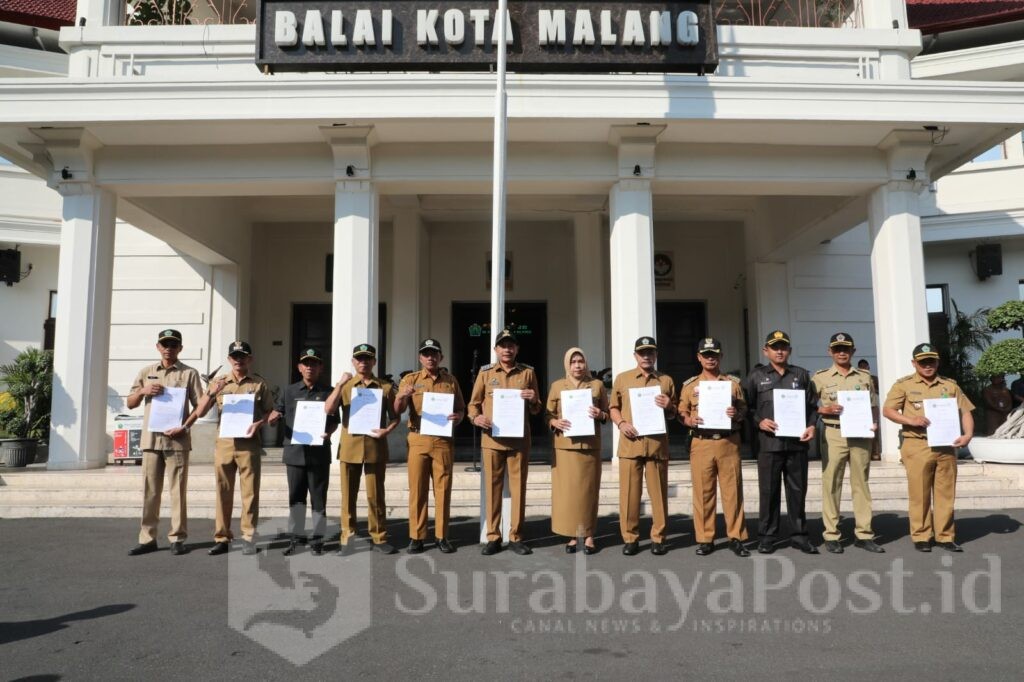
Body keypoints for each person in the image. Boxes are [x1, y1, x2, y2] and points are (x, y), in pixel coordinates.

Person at [883, 343, 975, 552]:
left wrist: (968, 434)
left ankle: (945, 536)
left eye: (931, 361)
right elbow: (888, 410)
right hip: (917, 444)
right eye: (923, 361)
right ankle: (922, 535)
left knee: (945, 493)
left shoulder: (949, 385)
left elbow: (966, 411)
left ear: (937, 362)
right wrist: (910, 420)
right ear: (914, 363)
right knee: (920, 493)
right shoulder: (903, 385)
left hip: (946, 445)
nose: (927, 365)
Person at [191, 341, 276, 556]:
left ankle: (248, 536)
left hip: (249, 445)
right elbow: (200, 412)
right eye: (234, 356)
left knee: (250, 494)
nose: (238, 360)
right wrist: (212, 392)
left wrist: (261, 422)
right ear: (229, 359)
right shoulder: (219, 382)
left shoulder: (258, 384)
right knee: (223, 492)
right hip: (225, 444)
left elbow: (271, 412)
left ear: (250, 359)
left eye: (243, 356)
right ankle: (222, 536)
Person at [126, 329, 203, 557]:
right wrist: (143, 391)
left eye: (173, 344)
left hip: (177, 440)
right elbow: (130, 403)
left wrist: (185, 426)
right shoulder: (146, 372)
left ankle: (177, 537)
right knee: (150, 492)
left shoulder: (189, 373)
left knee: (178, 491)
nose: (169, 348)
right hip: (151, 441)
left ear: (180, 348)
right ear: (158, 347)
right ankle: (147, 538)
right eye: (165, 344)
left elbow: (200, 406)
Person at [468, 329, 542, 556]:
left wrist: (533, 400)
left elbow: (537, 408)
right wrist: (476, 417)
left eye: (511, 345)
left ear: (517, 349)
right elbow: (473, 404)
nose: (507, 349)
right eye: (502, 345)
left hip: (519, 441)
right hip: (492, 441)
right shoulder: (485, 373)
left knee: (519, 490)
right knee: (493, 489)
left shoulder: (528, 373)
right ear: (496, 350)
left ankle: (516, 536)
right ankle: (493, 536)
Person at [744, 330, 818, 555]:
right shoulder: (755, 377)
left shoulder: (802, 375)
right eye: (774, 347)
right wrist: (759, 422)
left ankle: (799, 535)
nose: (779, 351)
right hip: (769, 445)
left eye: (783, 347)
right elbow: (747, 408)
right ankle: (767, 536)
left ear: (790, 350)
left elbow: (813, 407)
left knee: (797, 490)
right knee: (769, 491)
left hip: (797, 444)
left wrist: (812, 425)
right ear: (765, 351)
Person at [811, 333, 884, 554]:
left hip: (860, 435)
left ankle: (864, 533)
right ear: (830, 352)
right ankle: (831, 534)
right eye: (837, 349)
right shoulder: (820, 377)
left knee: (861, 484)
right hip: (834, 433)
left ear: (853, 351)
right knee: (832, 483)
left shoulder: (864, 377)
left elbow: (873, 406)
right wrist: (823, 409)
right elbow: (807, 405)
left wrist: (874, 428)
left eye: (845, 348)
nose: (841, 352)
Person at [267, 348, 344, 556]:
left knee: (318, 499)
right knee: (296, 498)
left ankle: (318, 539)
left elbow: (335, 420)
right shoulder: (289, 391)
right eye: (306, 363)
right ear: (300, 367)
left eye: (314, 363)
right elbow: (278, 410)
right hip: (294, 452)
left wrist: (329, 432)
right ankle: (296, 538)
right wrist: (273, 418)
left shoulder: (329, 392)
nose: (310, 367)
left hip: (318, 453)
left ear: (320, 367)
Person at [677, 337, 749, 558]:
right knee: (703, 492)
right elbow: (682, 412)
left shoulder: (733, 384)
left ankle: (736, 537)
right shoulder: (690, 386)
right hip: (702, 443)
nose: (710, 359)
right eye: (706, 355)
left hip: (728, 442)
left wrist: (736, 414)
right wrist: (689, 421)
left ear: (720, 357)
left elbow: (744, 411)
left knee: (732, 492)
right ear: (699, 357)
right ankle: (705, 538)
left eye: (714, 354)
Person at [325, 343, 399, 555]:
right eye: (359, 359)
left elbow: (395, 417)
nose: (363, 362)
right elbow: (328, 409)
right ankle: (347, 538)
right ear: (353, 362)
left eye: (367, 359)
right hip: (350, 447)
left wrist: (388, 430)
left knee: (376, 496)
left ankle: (379, 536)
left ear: (374, 361)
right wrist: (339, 385)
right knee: (348, 496)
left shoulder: (385, 387)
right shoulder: (346, 387)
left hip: (375, 446)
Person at [394, 338, 466, 554]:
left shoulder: (451, 381)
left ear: (441, 356)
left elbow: (461, 409)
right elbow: (397, 410)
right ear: (420, 357)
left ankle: (442, 536)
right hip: (418, 439)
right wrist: (402, 396)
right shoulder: (411, 379)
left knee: (443, 490)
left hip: (442, 441)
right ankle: (417, 536)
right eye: (426, 353)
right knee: (418, 489)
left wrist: (458, 417)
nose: (430, 357)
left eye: (434, 353)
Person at [609, 336, 677, 556]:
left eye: (650, 352)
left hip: (656, 445)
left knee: (658, 494)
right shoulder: (622, 379)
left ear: (656, 355)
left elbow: (675, 412)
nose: (646, 356)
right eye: (642, 353)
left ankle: (658, 537)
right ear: (635, 356)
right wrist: (621, 423)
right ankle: (630, 538)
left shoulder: (665, 380)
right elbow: (613, 407)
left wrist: (669, 406)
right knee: (629, 495)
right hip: (631, 444)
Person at [546, 347, 609, 554]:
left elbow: (608, 414)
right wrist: (555, 421)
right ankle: (573, 535)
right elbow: (547, 416)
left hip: (589, 446)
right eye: (573, 362)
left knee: (588, 492)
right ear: (567, 364)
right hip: (565, 447)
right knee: (569, 494)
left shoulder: (597, 385)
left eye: (580, 361)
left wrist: (600, 413)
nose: (577, 366)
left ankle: (589, 535)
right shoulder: (557, 386)